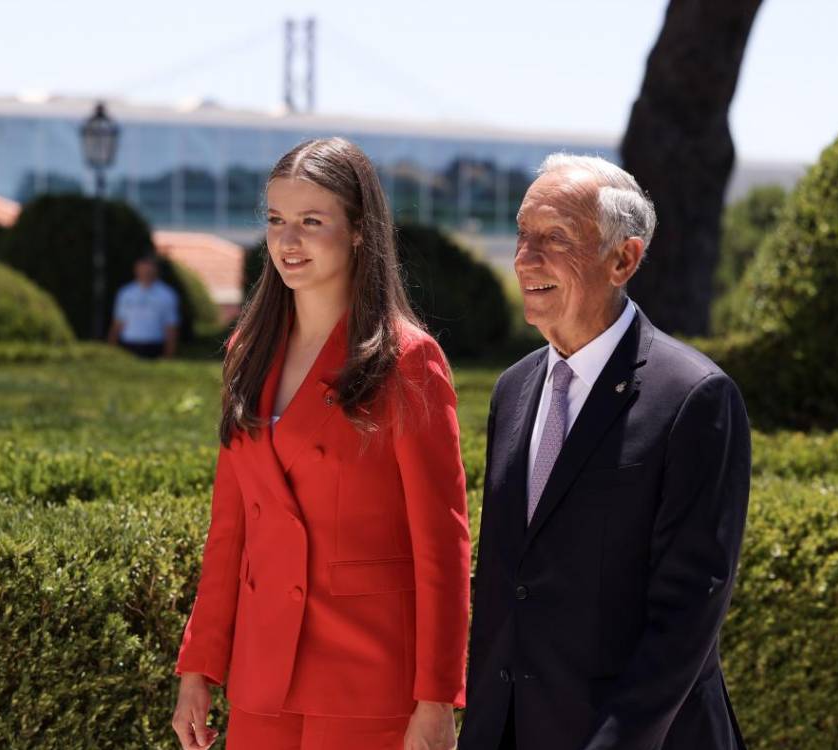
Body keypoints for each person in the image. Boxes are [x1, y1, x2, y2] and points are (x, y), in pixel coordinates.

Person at [171, 137, 471, 750]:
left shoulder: (408, 360)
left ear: (360, 231)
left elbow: (442, 546)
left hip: (368, 682)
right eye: (277, 220)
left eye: (312, 222)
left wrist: (437, 699)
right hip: (261, 682)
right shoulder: (245, 355)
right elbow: (229, 529)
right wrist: (199, 668)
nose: (287, 241)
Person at [459, 155, 751, 750]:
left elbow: (686, 614)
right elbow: (504, 584)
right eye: (522, 235)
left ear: (624, 259)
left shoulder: (695, 397)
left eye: (555, 238)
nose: (525, 258)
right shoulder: (512, 390)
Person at [108, 255, 179, 359]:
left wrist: (169, 354)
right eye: (142, 270)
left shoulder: (167, 295)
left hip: (154, 345)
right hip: (129, 344)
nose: (146, 273)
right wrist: (111, 348)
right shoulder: (126, 293)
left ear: (156, 271)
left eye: (149, 270)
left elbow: (171, 326)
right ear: (136, 271)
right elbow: (118, 322)